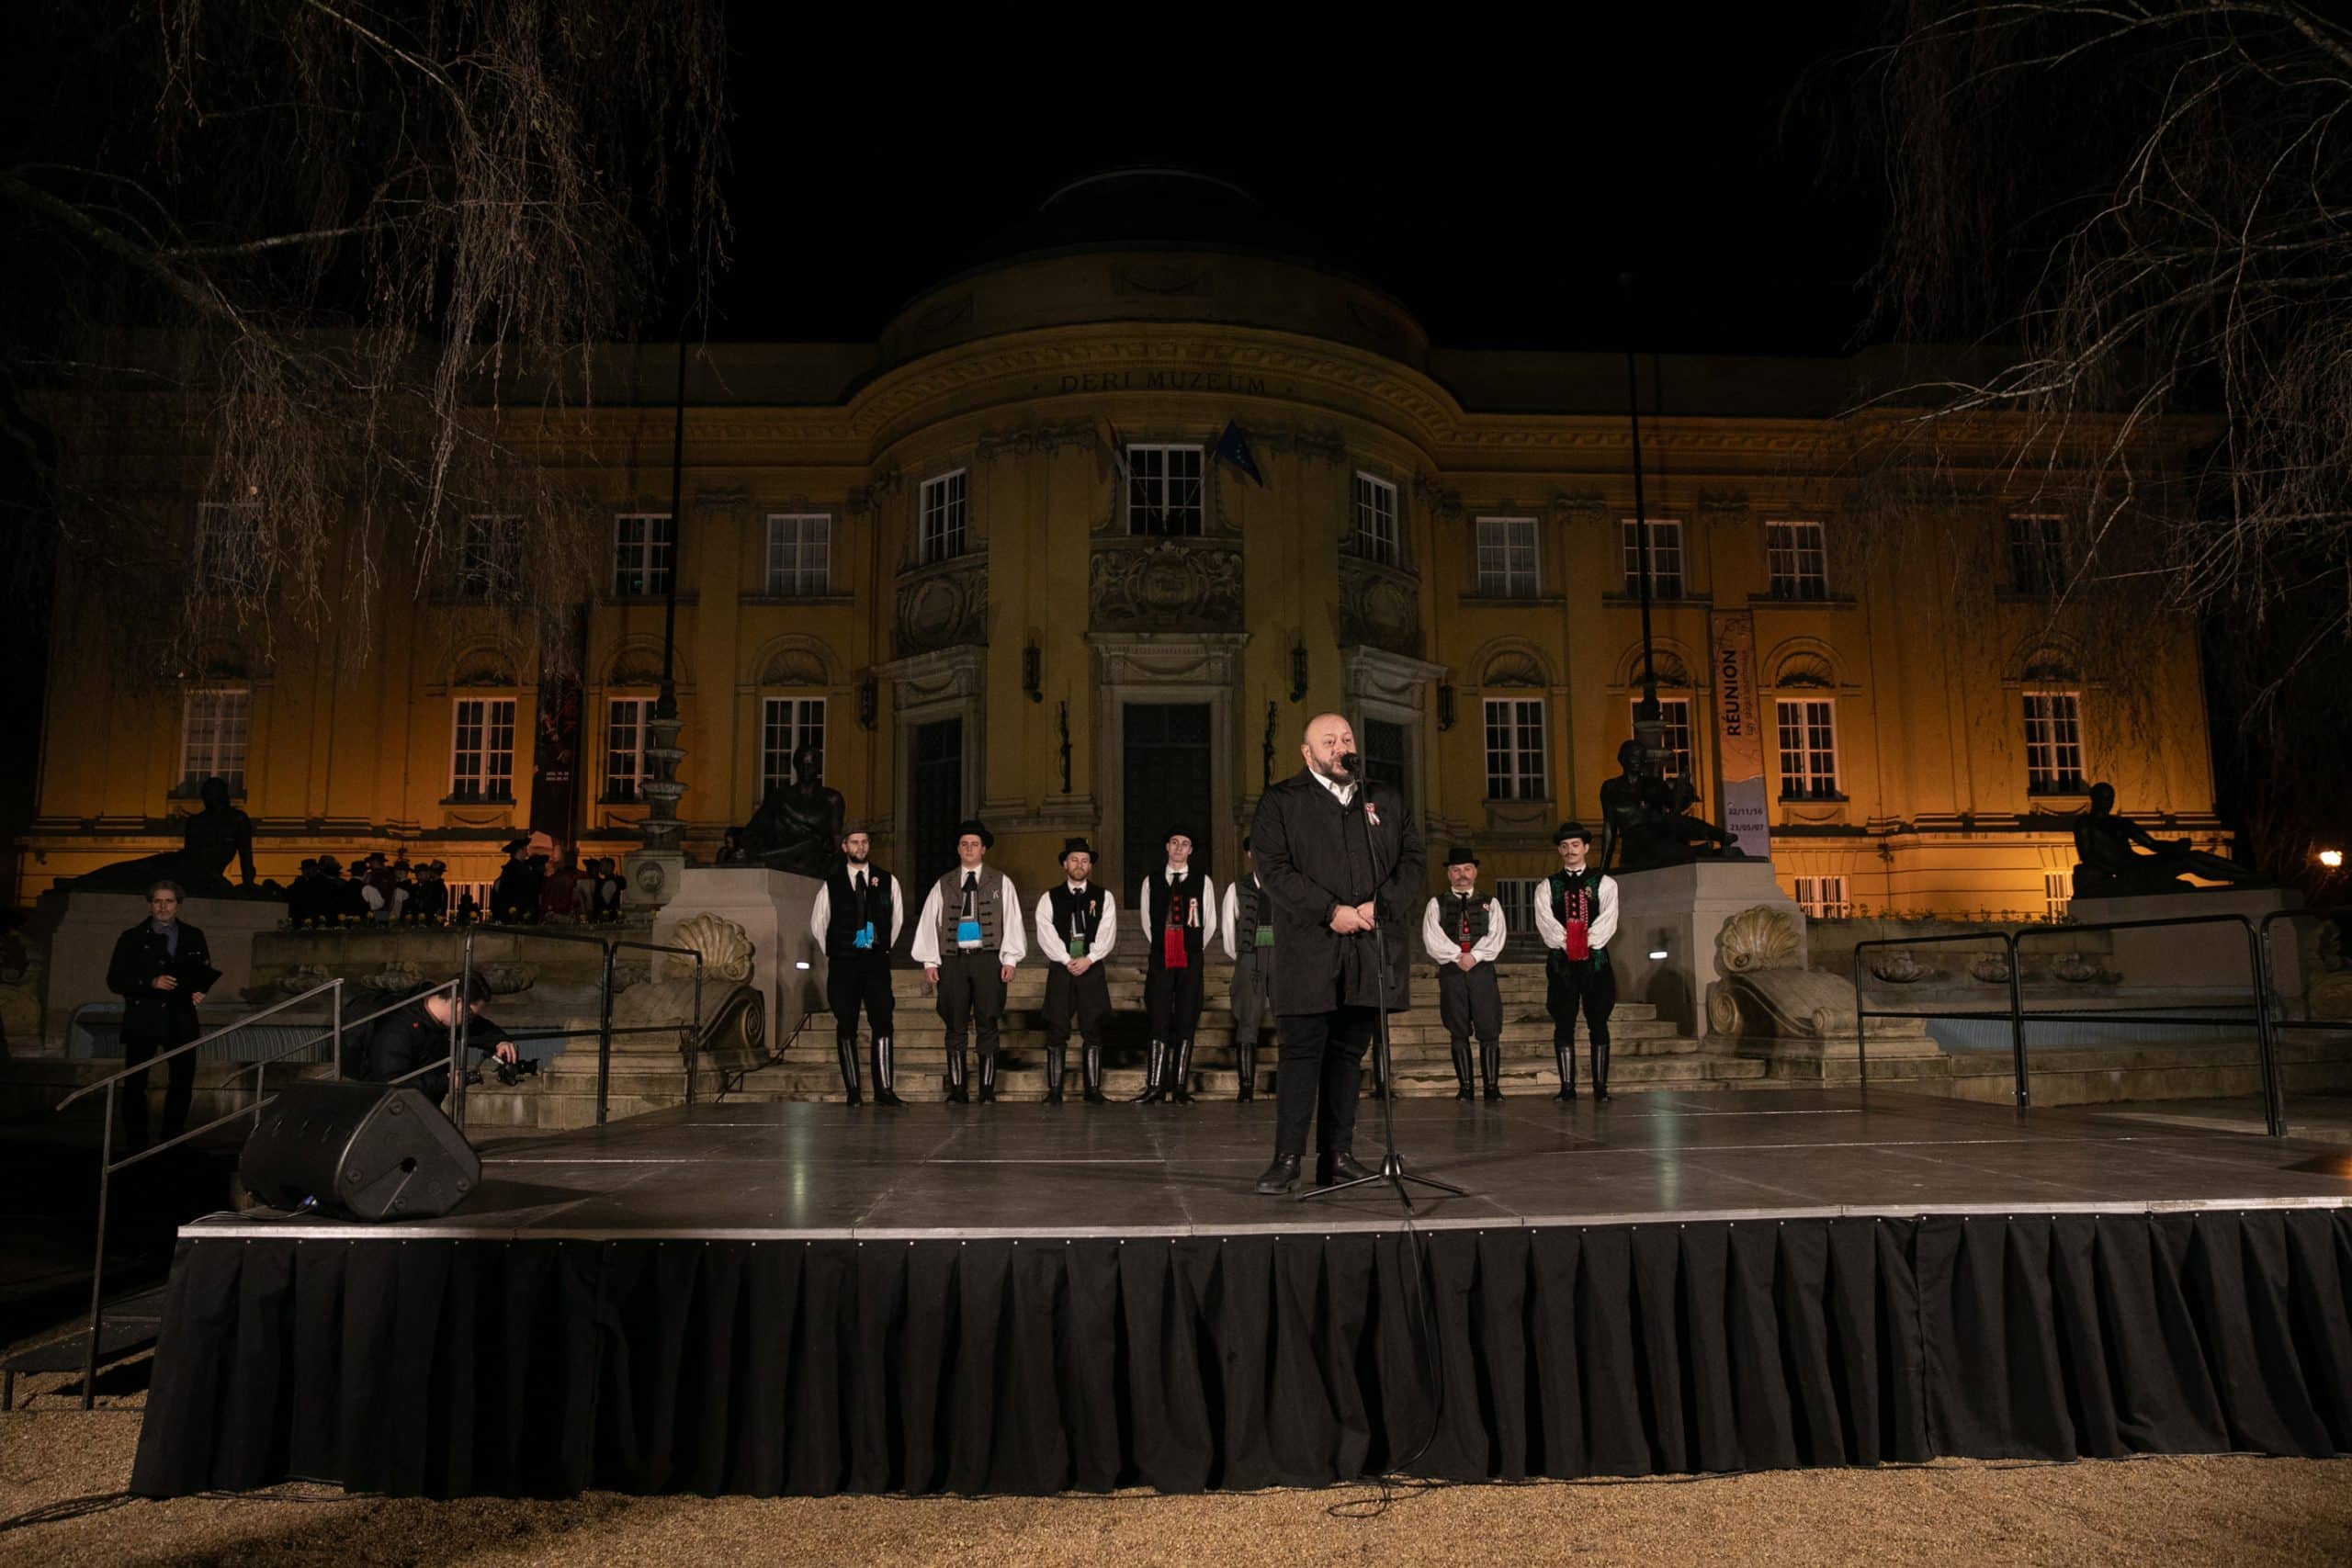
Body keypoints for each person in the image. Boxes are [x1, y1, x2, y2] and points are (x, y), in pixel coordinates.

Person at [1247, 713, 1425, 1194]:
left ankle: (1338, 1157)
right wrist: (1329, 911)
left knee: (1348, 1056)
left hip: (1368, 948)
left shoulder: (1384, 798)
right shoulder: (1281, 801)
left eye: (1346, 738)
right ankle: (1287, 1159)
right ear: (1307, 753)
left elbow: (1412, 860)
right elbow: (1273, 870)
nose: (1341, 747)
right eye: (1329, 741)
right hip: (1309, 948)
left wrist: (1381, 905)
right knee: (1301, 1054)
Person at [908, 818, 1026, 1103]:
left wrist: (1010, 959)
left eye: (974, 844)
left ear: (983, 849)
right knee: (955, 1023)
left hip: (988, 959)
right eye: (964, 844)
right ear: (958, 849)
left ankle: (986, 1090)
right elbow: (930, 921)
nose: (969, 849)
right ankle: (958, 1090)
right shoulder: (944, 883)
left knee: (988, 1021)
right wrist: (930, 961)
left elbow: (1012, 920)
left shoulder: (1001, 882)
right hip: (954, 960)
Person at [105, 880, 219, 1152]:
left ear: (177, 904)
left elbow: (202, 970)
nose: (163, 906)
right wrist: (150, 983)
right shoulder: (131, 937)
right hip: (143, 1017)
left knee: (182, 1081)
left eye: (169, 901)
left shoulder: (194, 935)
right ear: (150, 904)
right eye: (158, 901)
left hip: (181, 1017)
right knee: (135, 1082)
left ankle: (173, 1137)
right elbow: (115, 980)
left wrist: (200, 991)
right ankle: (136, 1141)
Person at [808, 824, 906, 1106]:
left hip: (875, 962)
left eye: (864, 842)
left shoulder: (887, 880)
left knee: (883, 1021)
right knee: (846, 1022)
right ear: (844, 847)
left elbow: (896, 919)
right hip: (844, 964)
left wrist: (881, 947)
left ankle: (884, 1091)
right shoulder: (831, 884)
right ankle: (853, 1092)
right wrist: (838, 951)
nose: (860, 847)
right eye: (854, 842)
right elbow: (819, 924)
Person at [1533, 821, 1620, 1101]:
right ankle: (1567, 1087)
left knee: (1599, 1022)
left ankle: (1600, 1088)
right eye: (1565, 846)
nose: (1570, 850)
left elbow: (1608, 919)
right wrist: (1568, 942)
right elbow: (1545, 921)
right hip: (1562, 964)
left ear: (1585, 848)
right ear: (1559, 850)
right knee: (1563, 1023)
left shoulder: (1605, 883)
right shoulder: (1547, 886)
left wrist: (1586, 941)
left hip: (1595, 961)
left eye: (1575, 845)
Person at [347, 970, 518, 1108]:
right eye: (470, 1015)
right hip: (393, 1110)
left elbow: (479, 1027)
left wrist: (499, 1041)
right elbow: (391, 1084)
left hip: (422, 1106)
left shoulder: (448, 1016)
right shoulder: (397, 1027)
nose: (470, 1021)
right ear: (458, 1002)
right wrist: (445, 1081)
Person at [1134, 825, 1217, 1104]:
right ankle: (1155, 1086)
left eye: (1185, 844)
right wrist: (1165, 946)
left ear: (1191, 850)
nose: (1179, 848)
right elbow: (1147, 921)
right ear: (1167, 847)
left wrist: (1189, 947)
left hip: (1191, 959)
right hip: (1161, 958)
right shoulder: (1151, 881)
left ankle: (1179, 1087)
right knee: (1158, 1016)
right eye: (1174, 842)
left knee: (1186, 1016)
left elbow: (1210, 922)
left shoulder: (1203, 881)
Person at [1424, 848, 1509, 1102]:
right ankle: (1466, 1088)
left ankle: (1491, 1087)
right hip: (1452, 972)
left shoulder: (1490, 903)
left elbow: (1497, 935)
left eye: (1467, 869)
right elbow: (1432, 937)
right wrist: (1457, 956)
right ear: (1449, 874)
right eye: (1456, 870)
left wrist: (1475, 956)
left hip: (1481, 971)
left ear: (1475, 872)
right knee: (1457, 1028)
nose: (1462, 874)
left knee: (1489, 1027)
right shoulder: (1436, 904)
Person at [1035, 837, 1114, 1105]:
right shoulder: (1049, 898)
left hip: (1091, 968)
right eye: (1074, 860)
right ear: (1065, 864)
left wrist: (1089, 958)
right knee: (1057, 1026)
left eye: (1084, 861)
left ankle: (1093, 1090)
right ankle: (1055, 1091)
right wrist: (1066, 958)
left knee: (1093, 1026)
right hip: (1062, 968)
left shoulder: (1104, 897)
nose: (1079, 865)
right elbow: (1045, 931)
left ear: (1090, 866)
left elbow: (1107, 931)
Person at [1217, 837, 1275, 1103]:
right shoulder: (1237, 887)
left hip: (1281, 958)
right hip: (1250, 956)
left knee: (1288, 1018)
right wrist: (1242, 956)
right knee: (1248, 1019)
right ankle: (1246, 1087)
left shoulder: (1285, 885)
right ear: (1249, 854)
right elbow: (1229, 929)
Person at [490, 838, 541, 923]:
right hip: (517, 918)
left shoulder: (508, 869)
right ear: (520, 850)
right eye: (525, 849)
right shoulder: (520, 870)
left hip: (508, 916)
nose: (527, 853)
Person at [588, 858, 625, 922]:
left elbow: (605, 902)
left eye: (602, 865)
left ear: (609, 866)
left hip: (607, 918)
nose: (599, 868)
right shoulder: (608, 881)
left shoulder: (610, 882)